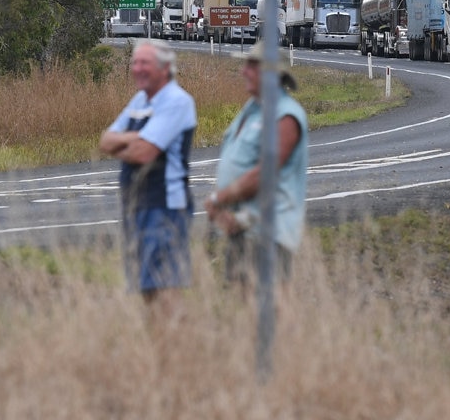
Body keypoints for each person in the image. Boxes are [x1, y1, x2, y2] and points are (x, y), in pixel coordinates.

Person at [99, 39, 197, 309]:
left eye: (145, 63)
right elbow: (105, 141)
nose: (138, 69)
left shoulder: (177, 101)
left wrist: (128, 142)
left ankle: (176, 346)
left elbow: (144, 154)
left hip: (164, 205)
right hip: (137, 204)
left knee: (164, 286)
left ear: (165, 69)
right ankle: (159, 348)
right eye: (135, 62)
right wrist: (141, 136)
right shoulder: (141, 100)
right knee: (146, 288)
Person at [205, 38, 309, 286]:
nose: (244, 72)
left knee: (266, 312)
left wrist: (219, 199)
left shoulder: (286, 115)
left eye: (252, 66)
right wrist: (223, 213)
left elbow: (265, 173)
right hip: (243, 228)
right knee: (243, 314)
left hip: (269, 234)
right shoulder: (253, 107)